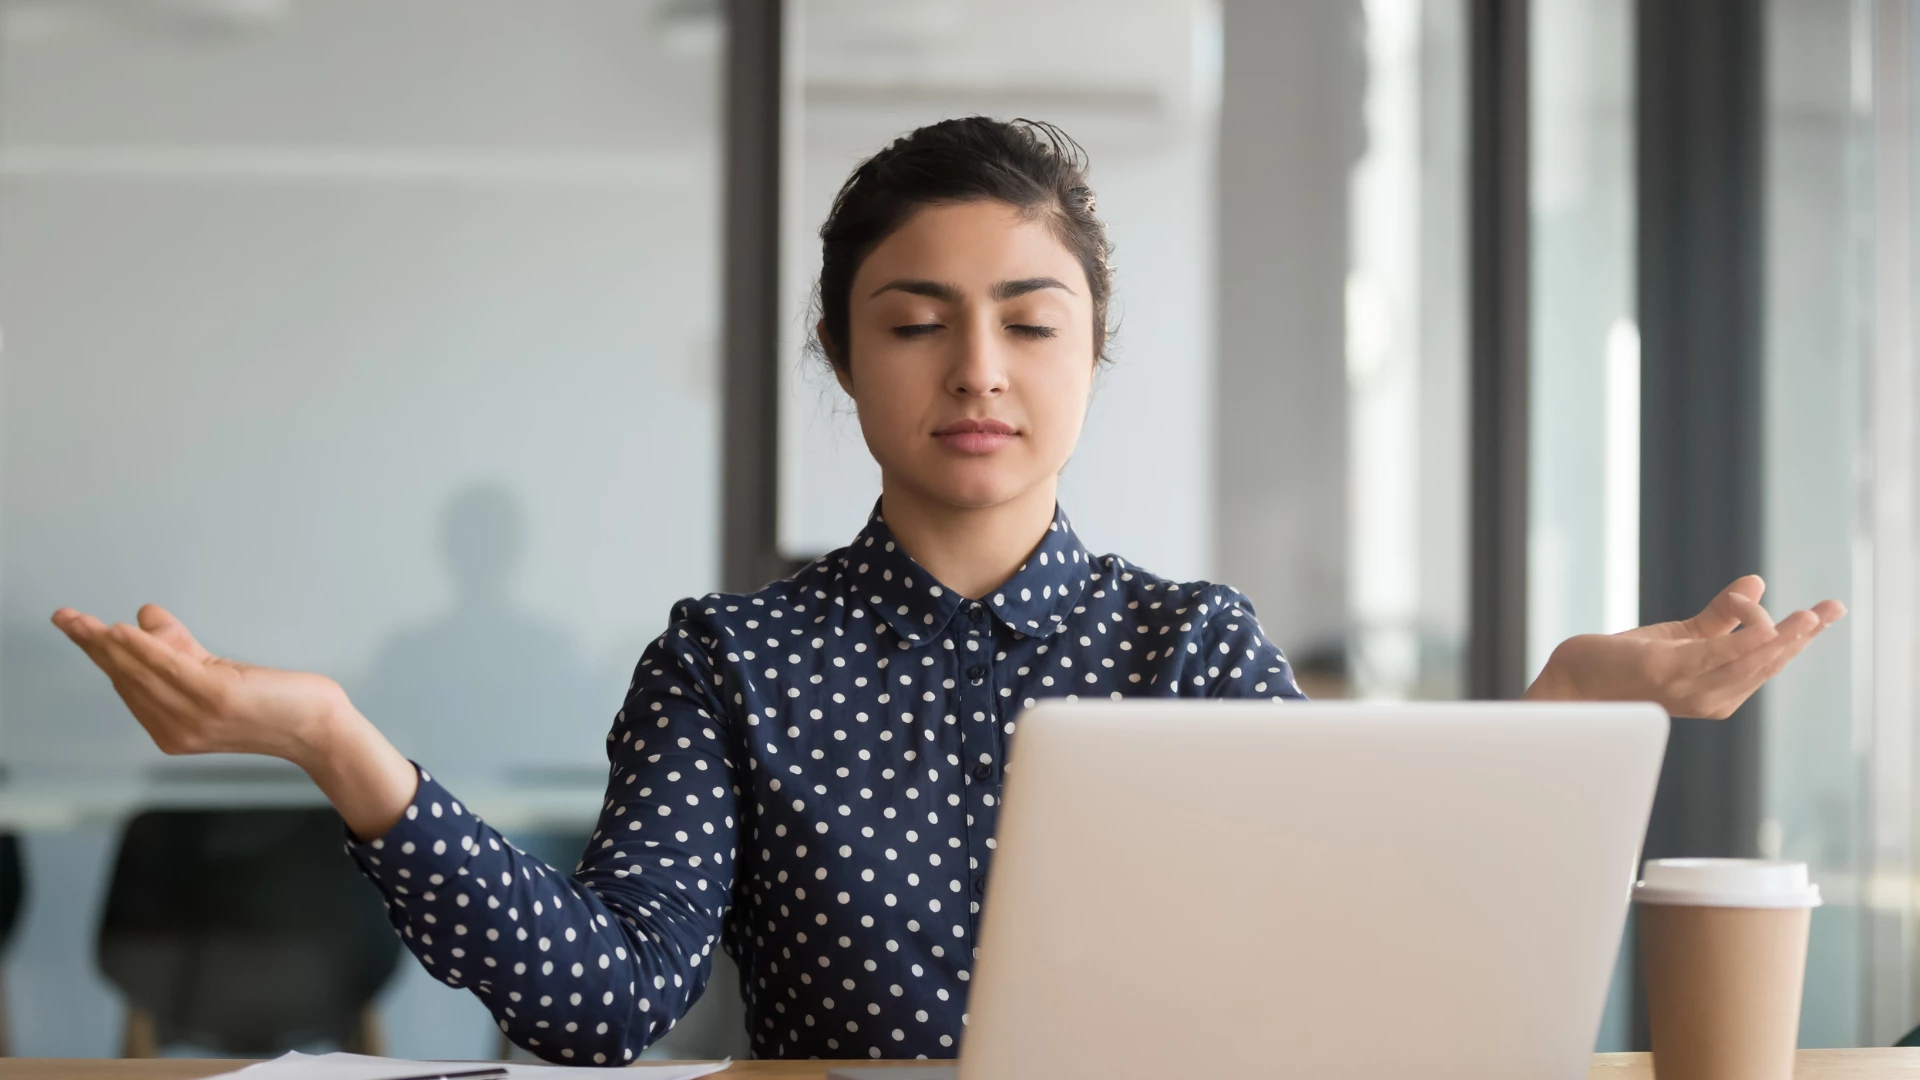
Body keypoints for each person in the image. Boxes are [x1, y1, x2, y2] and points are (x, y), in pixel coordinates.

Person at [50, 117, 1844, 1064]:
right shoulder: (732, 664)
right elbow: (598, 1004)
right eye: (915, 323)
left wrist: (1555, 723)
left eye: (1028, 321)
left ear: (1090, 355)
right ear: (843, 361)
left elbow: (1364, 979)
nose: (975, 368)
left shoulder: (1188, 643)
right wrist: (336, 742)